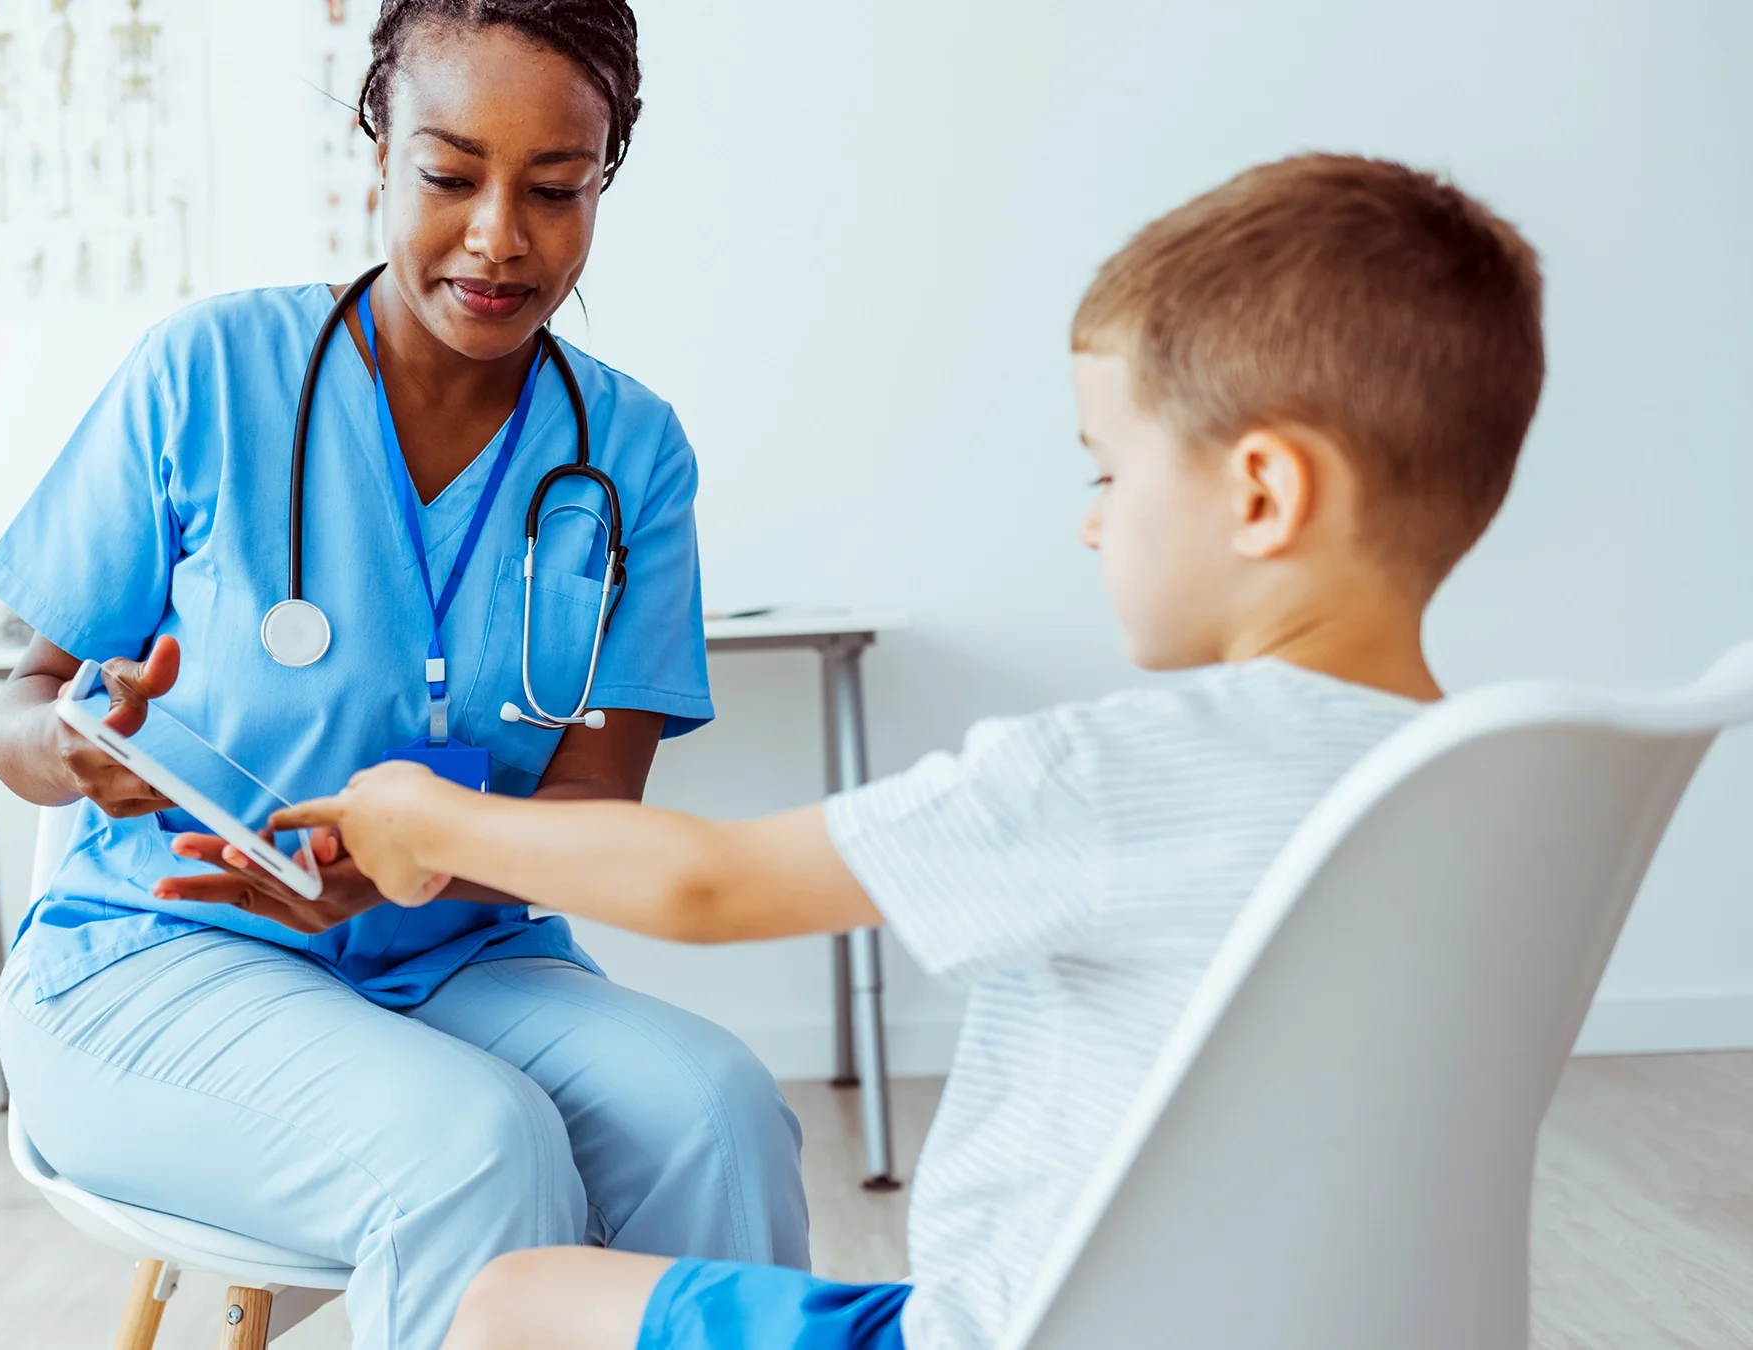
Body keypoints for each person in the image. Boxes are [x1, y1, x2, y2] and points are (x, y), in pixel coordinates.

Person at [271, 153, 1548, 1350]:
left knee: (521, 1297)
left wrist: (428, 822)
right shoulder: (1496, 785)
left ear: (1263, 495)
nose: (1098, 526)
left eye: (1107, 472)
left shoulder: (1112, 773)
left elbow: (707, 885)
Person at [0, 3, 806, 1348]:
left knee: (717, 1111)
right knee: (477, 1144)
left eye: (555, 188)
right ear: (376, 153)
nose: (500, 235)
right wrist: (72, 750)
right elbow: (24, 705)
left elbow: (599, 810)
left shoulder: (628, 450)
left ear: (605, 179)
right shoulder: (209, 374)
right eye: (449, 175)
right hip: (160, 957)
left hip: (465, 956)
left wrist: (422, 862)